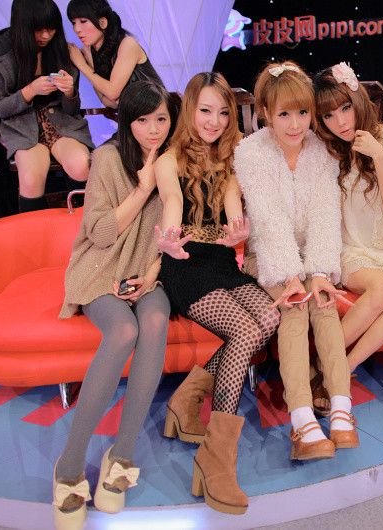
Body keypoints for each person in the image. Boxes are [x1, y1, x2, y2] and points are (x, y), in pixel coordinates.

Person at [53, 80, 177, 530]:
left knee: (155, 320)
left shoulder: (172, 161)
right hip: (100, 268)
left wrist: (153, 273)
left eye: (161, 119)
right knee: (124, 330)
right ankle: (69, 465)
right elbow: (101, 234)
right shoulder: (107, 159)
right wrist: (142, 189)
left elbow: (174, 228)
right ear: (127, 121)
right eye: (143, 120)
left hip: (148, 268)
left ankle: (121, 456)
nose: (153, 129)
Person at [154, 72, 280, 515]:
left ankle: (186, 398)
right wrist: (170, 240)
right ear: (190, 109)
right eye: (205, 110)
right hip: (186, 263)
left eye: (223, 112)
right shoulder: (168, 160)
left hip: (221, 261)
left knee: (269, 318)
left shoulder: (231, 153)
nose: (214, 121)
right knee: (244, 331)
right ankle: (217, 456)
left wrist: (239, 232)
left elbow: (230, 207)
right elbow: (173, 204)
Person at [235, 61, 358, 461]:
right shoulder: (251, 152)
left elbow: (325, 213)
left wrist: (319, 271)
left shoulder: (321, 152)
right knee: (294, 308)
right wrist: (290, 276)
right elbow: (267, 221)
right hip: (267, 255)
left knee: (323, 303)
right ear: (265, 113)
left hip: (309, 255)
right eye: (284, 114)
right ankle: (302, 421)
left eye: (302, 112)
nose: (295, 124)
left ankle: (341, 409)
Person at [313, 62, 383, 389]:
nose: (340, 122)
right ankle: (324, 362)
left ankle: (342, 367)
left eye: (345, 108)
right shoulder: (329, 151)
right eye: (328, 115)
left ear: (358, 101)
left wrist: (380, 157)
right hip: (352, 248)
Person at [0, 0, 93, 213]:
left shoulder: (63, 49)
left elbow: (72, 110)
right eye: (38, 30)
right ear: (22, 26)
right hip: (22, 126)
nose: (46, 36)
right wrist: (30, 91)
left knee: (82, 166)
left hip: (62, 123)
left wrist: (70, 92)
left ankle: (88, 223)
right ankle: (36, 230)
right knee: (31, 179)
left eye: (51, 29)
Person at [66, 0, 164, 110]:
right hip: (134, 117)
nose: (77, 29)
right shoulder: (95, 53)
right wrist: (90, 63)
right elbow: (108, 102)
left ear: (103, 22)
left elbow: (112, 92)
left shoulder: (128, 44)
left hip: (156, 115)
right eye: (73, 23)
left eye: (83, 21)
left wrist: (82, 65)